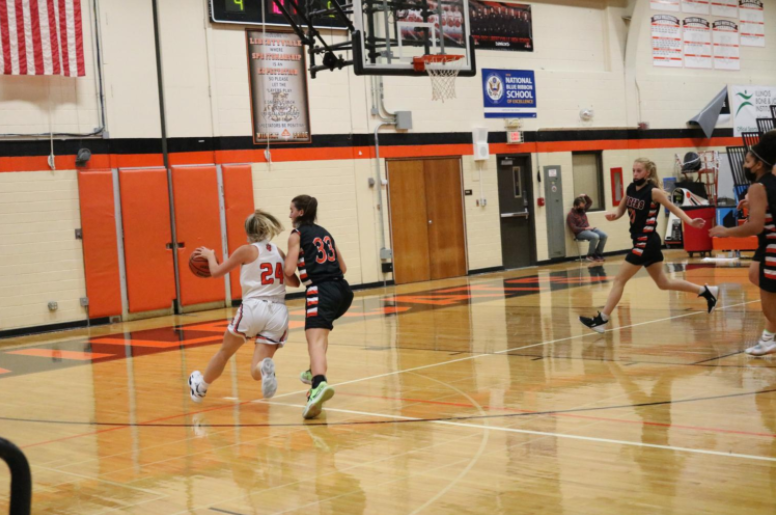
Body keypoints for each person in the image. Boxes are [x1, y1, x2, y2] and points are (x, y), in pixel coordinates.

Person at [579, 158, 718, 333]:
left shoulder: (653, 192)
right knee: (664, 283)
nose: (635, 173)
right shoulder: (630, 189)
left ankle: (602, 319)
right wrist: (614, 215)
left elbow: (674, 208)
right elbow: (621, 209)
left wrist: (690, 221)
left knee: (619, 280)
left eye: (639, 171)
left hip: (646, 241)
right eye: (634, 170)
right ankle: (707, 291)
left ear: (648, 173)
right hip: (643, 242)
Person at [188, 210, 300, 403]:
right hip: (278, 312)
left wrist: (209, 255)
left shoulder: (246, 250)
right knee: (255, 369)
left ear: (248, 232)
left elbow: (215, 271)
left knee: (225, 353)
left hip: (254, 308)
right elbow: (294, 283)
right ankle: (264, 368)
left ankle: (200, 387)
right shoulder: (277, 251)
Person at [285, 195, 354, 419]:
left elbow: (288, 270)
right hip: (343, 291)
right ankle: (314, 374)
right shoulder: (325, 232)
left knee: (314, 341)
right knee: (320, 338)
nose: (289, 215)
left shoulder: (296, 235)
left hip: (320, 291)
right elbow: (343, 267)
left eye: (292, 210)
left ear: (301, 212)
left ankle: (318, 383)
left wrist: (278, 259)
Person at [710, 131, 776, 356]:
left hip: (772, 249)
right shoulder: (770, 184)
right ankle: (768, 339)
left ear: (758, 164)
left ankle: (769, 339)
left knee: (769, 306)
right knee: (754, 275)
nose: (744, 165)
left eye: (747, 161)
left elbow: (755, 227)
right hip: (767, 246)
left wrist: (725, 231)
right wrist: (753, 204)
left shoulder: (758, 187)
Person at [567, 193, 607, 261]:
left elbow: (590, 202)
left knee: (604, 235)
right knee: (595, 236)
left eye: (583, 206)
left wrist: (585, 196)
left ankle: (598, 254)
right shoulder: (571, 215)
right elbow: (574, 229)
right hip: (580, 232)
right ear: (576, 206)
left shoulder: (582, 210)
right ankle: (589, 256)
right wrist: (585, 228)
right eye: (582, 206)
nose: (583, 207)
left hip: (588, 229)